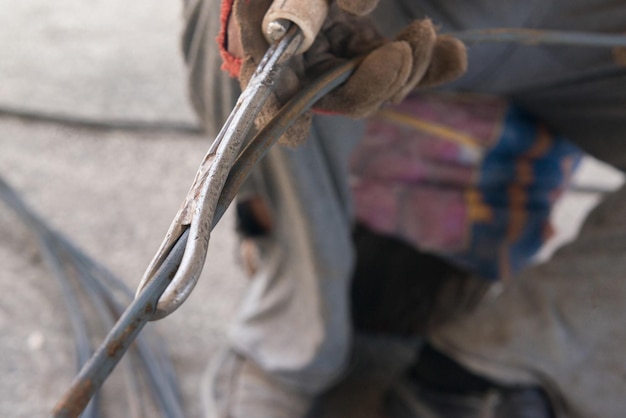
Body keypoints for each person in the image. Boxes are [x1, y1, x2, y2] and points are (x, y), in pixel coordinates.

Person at [181, 0, 626, 417]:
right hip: (385, 13)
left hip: (583, 25)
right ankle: (285, 341)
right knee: (254, 25)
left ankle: (501, 368)